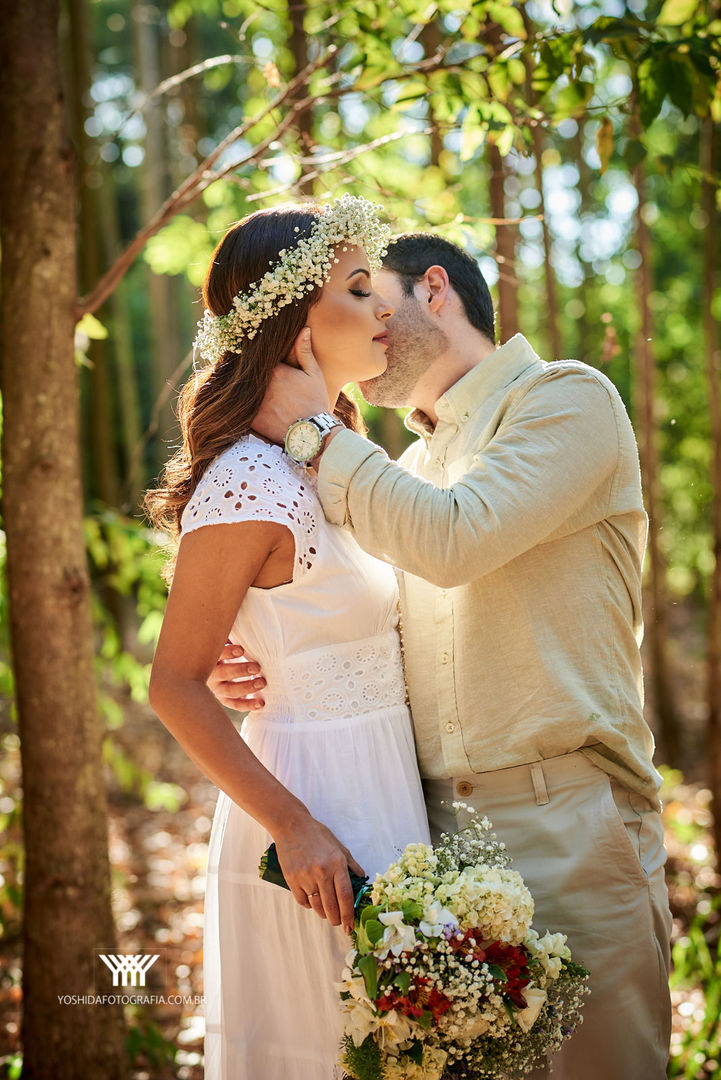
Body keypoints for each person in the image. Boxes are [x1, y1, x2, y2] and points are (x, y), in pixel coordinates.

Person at [213, 232, 673, 1079]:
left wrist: (314, 433)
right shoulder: (406, 466)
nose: (371, 321)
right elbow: (373, 630)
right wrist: (247, 647)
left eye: (377, 296)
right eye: (356, 301)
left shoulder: (565, 400)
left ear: (435, 288)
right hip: (427, 840)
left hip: (564, 821)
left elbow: (456, 540)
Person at [145, 197, 430, 1080]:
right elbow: (175, 684)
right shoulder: (247, 478)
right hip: (309, 820)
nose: (384, 305)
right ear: (291, 323)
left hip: (388, 788)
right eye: (357, 286)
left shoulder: (333, 457)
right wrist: (294, 826)